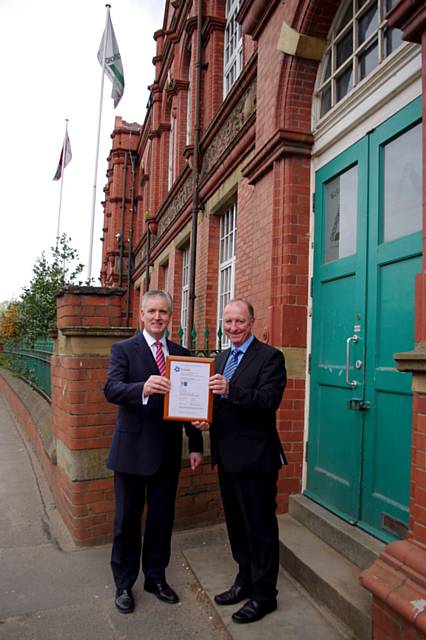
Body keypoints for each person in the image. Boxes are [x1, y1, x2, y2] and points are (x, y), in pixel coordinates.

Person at [104, 290, 203, 614]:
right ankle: (123, 583)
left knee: (162, 520)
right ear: (141, 315)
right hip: (131, 452)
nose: (158, 317)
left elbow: (190, 404)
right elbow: (111, 388)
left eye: (163, 312)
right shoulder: (124, 350)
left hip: (166, 452)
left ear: (170, 316)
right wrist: (142, 388)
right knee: (127, 522)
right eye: (152, 312)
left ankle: (156, 578)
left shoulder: (181, 354)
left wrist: (197, 444)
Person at [195, 299, 286, 624]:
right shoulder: (220, 358)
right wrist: (208, 419)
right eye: (228, 322)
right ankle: (244, 580)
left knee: (260, 529)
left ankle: (264, 596)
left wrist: (231, 390)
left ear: (251, 322)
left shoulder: (270, 357)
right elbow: (219, 405)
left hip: (257, 460)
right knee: (236, 526)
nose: (233, 327)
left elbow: (268, 402)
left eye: (240, 322)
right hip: (228, 457)